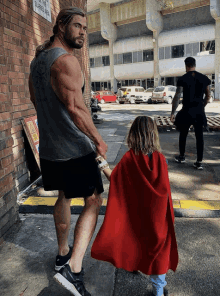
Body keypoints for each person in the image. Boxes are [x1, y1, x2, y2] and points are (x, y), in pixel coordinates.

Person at [28, 7, 108, 296]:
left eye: (85, 28)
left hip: (49, 149)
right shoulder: (65, 61)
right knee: (93, 200)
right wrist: (98, 139)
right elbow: (76, 108)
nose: (83, 32)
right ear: (60, 26)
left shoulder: (37, 62)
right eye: (77, 26)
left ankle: (63, 252)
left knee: (64, 195)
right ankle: (73, 269)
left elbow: (35, 101)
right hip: (74, 148)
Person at [92, 116, 179, 296]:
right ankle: (159, 291)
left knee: (136, 242)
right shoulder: (161, 160)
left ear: (133, 134)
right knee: (159, 251)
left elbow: (116, 180)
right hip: (158, 216)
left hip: (136, 215)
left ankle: (134, 265)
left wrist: (102, 164)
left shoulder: (129, 159)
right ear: (154, 134)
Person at [170, 57, 211, 170]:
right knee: (199, 136)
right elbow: (208, 96)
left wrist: (173, 112)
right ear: (194, 65)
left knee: (183, 134)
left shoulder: (183, 78)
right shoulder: (204, 78)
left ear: (186, 66)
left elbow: (177, 96)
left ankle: (182, 157)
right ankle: (199, 162)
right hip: (199, 112)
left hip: (186, 111)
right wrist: (202, 106)